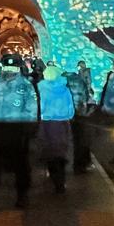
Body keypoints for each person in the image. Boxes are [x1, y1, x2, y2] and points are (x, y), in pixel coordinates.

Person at [0, 53, 38, 211]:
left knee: (15, 165)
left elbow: (31, 108)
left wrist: (27, 126)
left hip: (11, 129)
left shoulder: (22, 85)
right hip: (4, 128)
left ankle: (18, 195)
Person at [37, 62, 75, 193]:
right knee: (61, 149)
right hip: (62, 122)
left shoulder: (41, 89)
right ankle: (60, 180)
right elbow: (70, 107)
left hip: (47, 122)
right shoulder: (65, 89)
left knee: (48, 149)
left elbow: (39, 106)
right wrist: (68, 116)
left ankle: (53, 175)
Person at [64, 63, 93, 173]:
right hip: (78, 113)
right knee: (80, 139)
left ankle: (59, 166)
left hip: (63, 114)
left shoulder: (61, 80)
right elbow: (84, 96)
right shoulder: (79, 80)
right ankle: (79, 165)